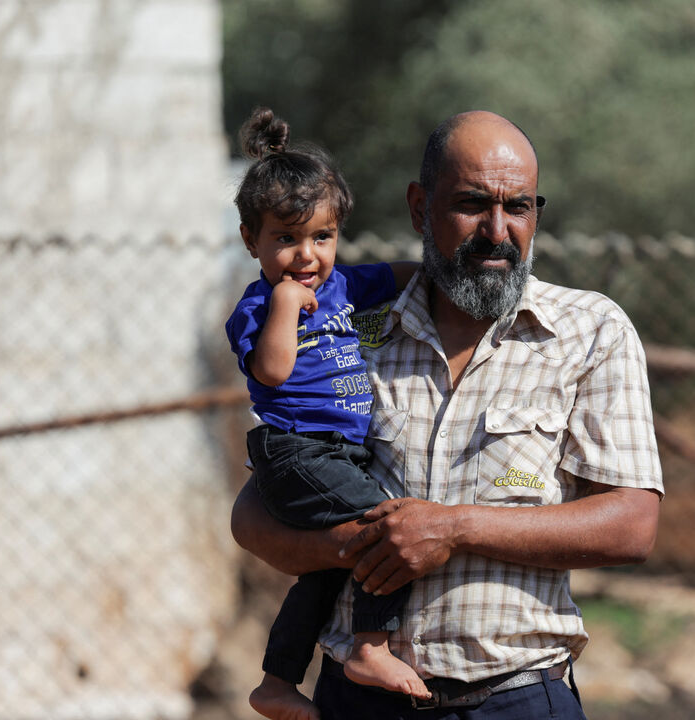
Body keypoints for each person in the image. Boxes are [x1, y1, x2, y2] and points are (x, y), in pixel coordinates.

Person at [231, 110, 664, 719]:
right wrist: (362, 545)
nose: (496, 229)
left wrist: (454, 528)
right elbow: (253, 518)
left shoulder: (591, 332)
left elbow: (631, 525)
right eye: (470, 204)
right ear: (418, 208)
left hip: (517, 700)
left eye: (519, 206)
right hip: (360, 703)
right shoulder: (353, 330)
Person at [224, 107, 426, 720]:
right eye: (285, 239)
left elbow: (405, 275)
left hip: (340, 453)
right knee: (392, 531)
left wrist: (448, 271)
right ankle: (369, 645)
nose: (306, 255)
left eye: (321, 237)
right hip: (295, 452)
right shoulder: (258, 306)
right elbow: (273, 372)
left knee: (330, 568)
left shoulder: (344, 287)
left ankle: (277, 682)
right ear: (250, 240)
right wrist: (286, 303)